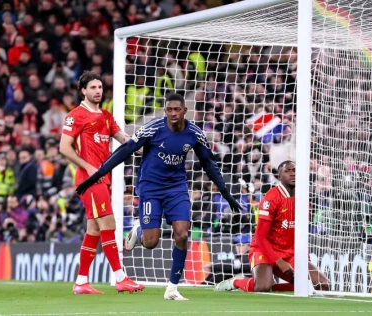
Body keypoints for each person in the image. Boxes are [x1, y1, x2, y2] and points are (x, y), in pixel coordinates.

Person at [76, 93, 242, 300]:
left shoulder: (195, 134)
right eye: (169, 110)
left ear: (184, 111)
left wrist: (226, 193)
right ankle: (139, 229)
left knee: (182, 234)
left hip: (177, 189)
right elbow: (126, 150)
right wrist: (98, 174)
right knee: (151, 242)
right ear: (165, 111)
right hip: (150, 189)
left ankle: (172, 288)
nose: (173, 113)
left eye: (177, 110)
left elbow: (209, 164)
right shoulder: (153, 128)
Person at [59, 71, 143, 294]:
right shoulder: (75, 116)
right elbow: (64, 147)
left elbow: (124, 140)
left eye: (100, 87)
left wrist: (146, 145)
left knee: (93, 230)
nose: (97, 91)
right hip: (89, 180)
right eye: (93, 88)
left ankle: (81, 282)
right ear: (83, 90)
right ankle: (120, 278)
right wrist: (87, 166)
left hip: (103, 179)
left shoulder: (106, 115)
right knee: (109, 225)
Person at [214, 161, 330, 293]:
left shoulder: (304, 199)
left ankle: (271, 285)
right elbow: (260, 237)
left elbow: (301, 234)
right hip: (264, 250)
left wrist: (304, 259)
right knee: (262, 287)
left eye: (294, 170)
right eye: (287, 171)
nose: (292, 173)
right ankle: (235, 282)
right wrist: (279, 261)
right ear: (279, 176)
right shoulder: (271, 198)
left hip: (290, 254)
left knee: (322, 285)